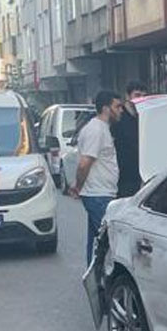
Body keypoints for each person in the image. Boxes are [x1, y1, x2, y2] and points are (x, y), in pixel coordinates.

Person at [69, 90, 124, 264]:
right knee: (106, 241)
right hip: (98, 194)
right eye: (117, 106)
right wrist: (78, 186)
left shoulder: (102, 129)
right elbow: (85, 163)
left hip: (102, 193)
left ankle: (93, 279)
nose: (121, 110)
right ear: (106, 108)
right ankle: (101, 282)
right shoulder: (96, 130)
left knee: (95, 241)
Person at [113, 81, 146, 198]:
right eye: (137, 95)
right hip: (124, 175)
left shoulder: (144, 116)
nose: (141, 99)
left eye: (143, 96)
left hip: (143, 174)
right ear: (128, 96)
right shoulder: (119, 117)